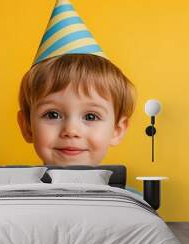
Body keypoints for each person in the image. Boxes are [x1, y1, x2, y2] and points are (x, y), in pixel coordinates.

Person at [17, 0, 136, 165]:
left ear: (117, 129)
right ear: (27, 126)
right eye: (52, 114)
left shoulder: (130, 192)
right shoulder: (8, 191)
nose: (71, 131)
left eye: (91, 116)